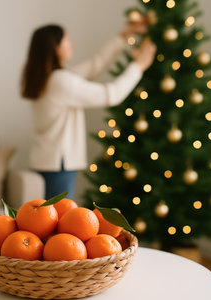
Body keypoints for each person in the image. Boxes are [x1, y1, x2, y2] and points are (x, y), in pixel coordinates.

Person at [21, 23, 156, 200]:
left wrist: (124, 35)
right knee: (57, 220)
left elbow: (95, 65)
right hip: (59, 163)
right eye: (67, 40)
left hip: (48, 160)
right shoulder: (61, 81)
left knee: (49, 217)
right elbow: (111, 94)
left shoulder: (48, 79)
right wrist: (138, 66)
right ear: (55, 47)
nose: (72, 45)